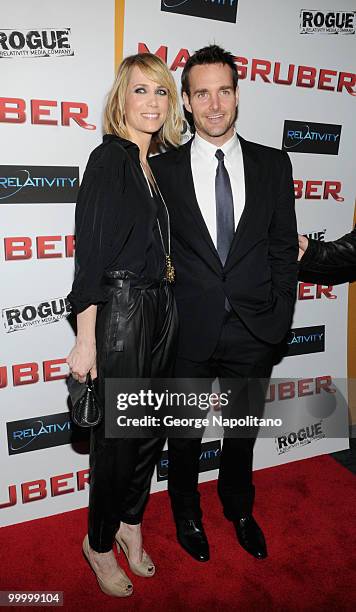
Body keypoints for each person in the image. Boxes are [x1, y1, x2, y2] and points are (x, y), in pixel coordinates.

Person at [150, 45, 298, 562]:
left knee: (242, 431)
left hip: (255, 329)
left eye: (224, 91)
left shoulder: (274, 164)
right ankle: (186, 511)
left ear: (237, 95)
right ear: (186, 103)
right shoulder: (161, 169)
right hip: (188, 330)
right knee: (185, 434)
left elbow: (284, 247)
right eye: (202, 93)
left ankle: (238, 506)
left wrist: (280, 316)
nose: (215, 104)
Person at [66, 53, 183, 597]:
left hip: (160, 310)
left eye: (161, 92)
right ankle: (97, 540)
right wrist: (86, 341)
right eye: (141, 91)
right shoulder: (108, 159)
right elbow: (89, 256)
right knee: (118, 441)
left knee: (150, 433)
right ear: (121, 99)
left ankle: (131, 526)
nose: (153, 102)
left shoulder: (151, 167)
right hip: (120, 313)